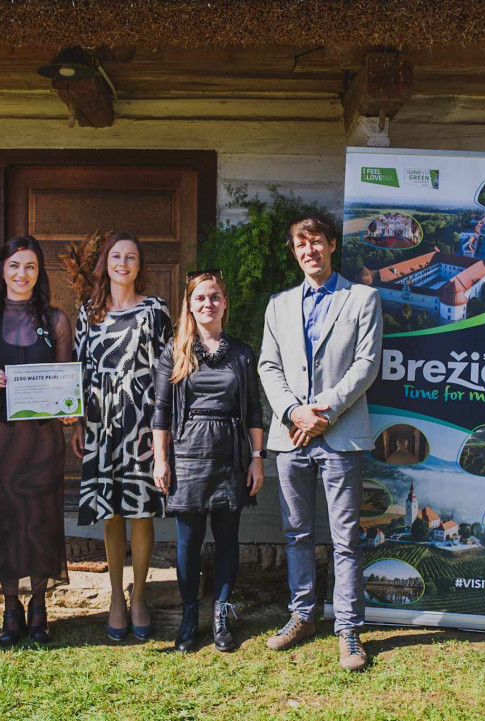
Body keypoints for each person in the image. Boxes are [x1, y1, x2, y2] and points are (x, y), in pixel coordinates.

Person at [258, 213, 383, 672]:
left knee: (345, 537)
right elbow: (268, 367)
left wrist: (322, 411)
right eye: (300, 244)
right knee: (296, 533)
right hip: (291, 436)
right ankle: (303, 615)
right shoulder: (279, 305)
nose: (309, 250)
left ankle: (348, 629)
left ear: (332, 245)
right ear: (294, 252)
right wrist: (294, 411)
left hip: (340, 435)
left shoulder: (363, 299)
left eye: (316, 242)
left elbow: (366, 365)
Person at [0, 236, 73, 646]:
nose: (22, 274)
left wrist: (69, 407)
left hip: (44, 439)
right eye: (14, 265)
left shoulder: (56, 320)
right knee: (4, 517)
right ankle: (11, 609)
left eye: (30, 266)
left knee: (41, 517)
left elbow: (66, 381)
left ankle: (40, 608)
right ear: (2, 270)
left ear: (38, 272)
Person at [152, 270, 265, 653]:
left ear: (225, 303)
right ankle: (188, 618)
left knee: (227, 537)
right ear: (189, 304)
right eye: (200, 298)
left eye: (215, 296)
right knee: (188, 542)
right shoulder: (175, 350)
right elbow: (161, 411)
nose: (208, 304)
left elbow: (253, 413)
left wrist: (257, 459)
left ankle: (220, 614)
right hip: (187, 454)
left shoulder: (242, 353)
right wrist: (160, 460)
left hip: (230, 454)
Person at [70, 232, 172, 641]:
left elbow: (169, 371)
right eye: (116, 256)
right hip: (100, 424)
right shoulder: (87, 312)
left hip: (142, 423)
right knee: (110, 511)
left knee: (141, 510)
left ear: (139, 266)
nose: (123, 263)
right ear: (105, 263)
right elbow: (77, 370)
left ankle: (140, 596)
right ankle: (115, 597)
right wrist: (77, 420)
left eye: (131, 257)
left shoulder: (155, 310)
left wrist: (165, 429)